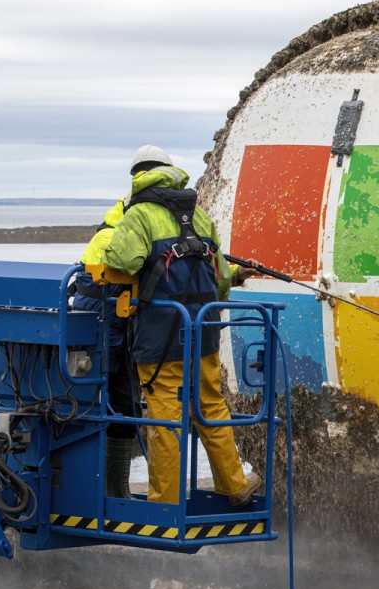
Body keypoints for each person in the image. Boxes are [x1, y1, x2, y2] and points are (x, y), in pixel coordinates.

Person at [101, 145, 260, 508]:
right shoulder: (198, 216)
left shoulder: (139, 215)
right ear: (172, 173)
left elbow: (124, 262)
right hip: (203, 332)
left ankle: (164, 503)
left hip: (160, 336)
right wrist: (237, 275)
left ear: (137, 176)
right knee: (210, 405)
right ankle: (234, 486)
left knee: (165, 419)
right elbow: (218, 278)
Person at [70, 199, 140, 497]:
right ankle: (115, 490)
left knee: (91, 402)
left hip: (88, 328)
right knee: (123, 405)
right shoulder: (125, 239)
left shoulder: (103, 235)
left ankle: (94, 485)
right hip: (108, 329)